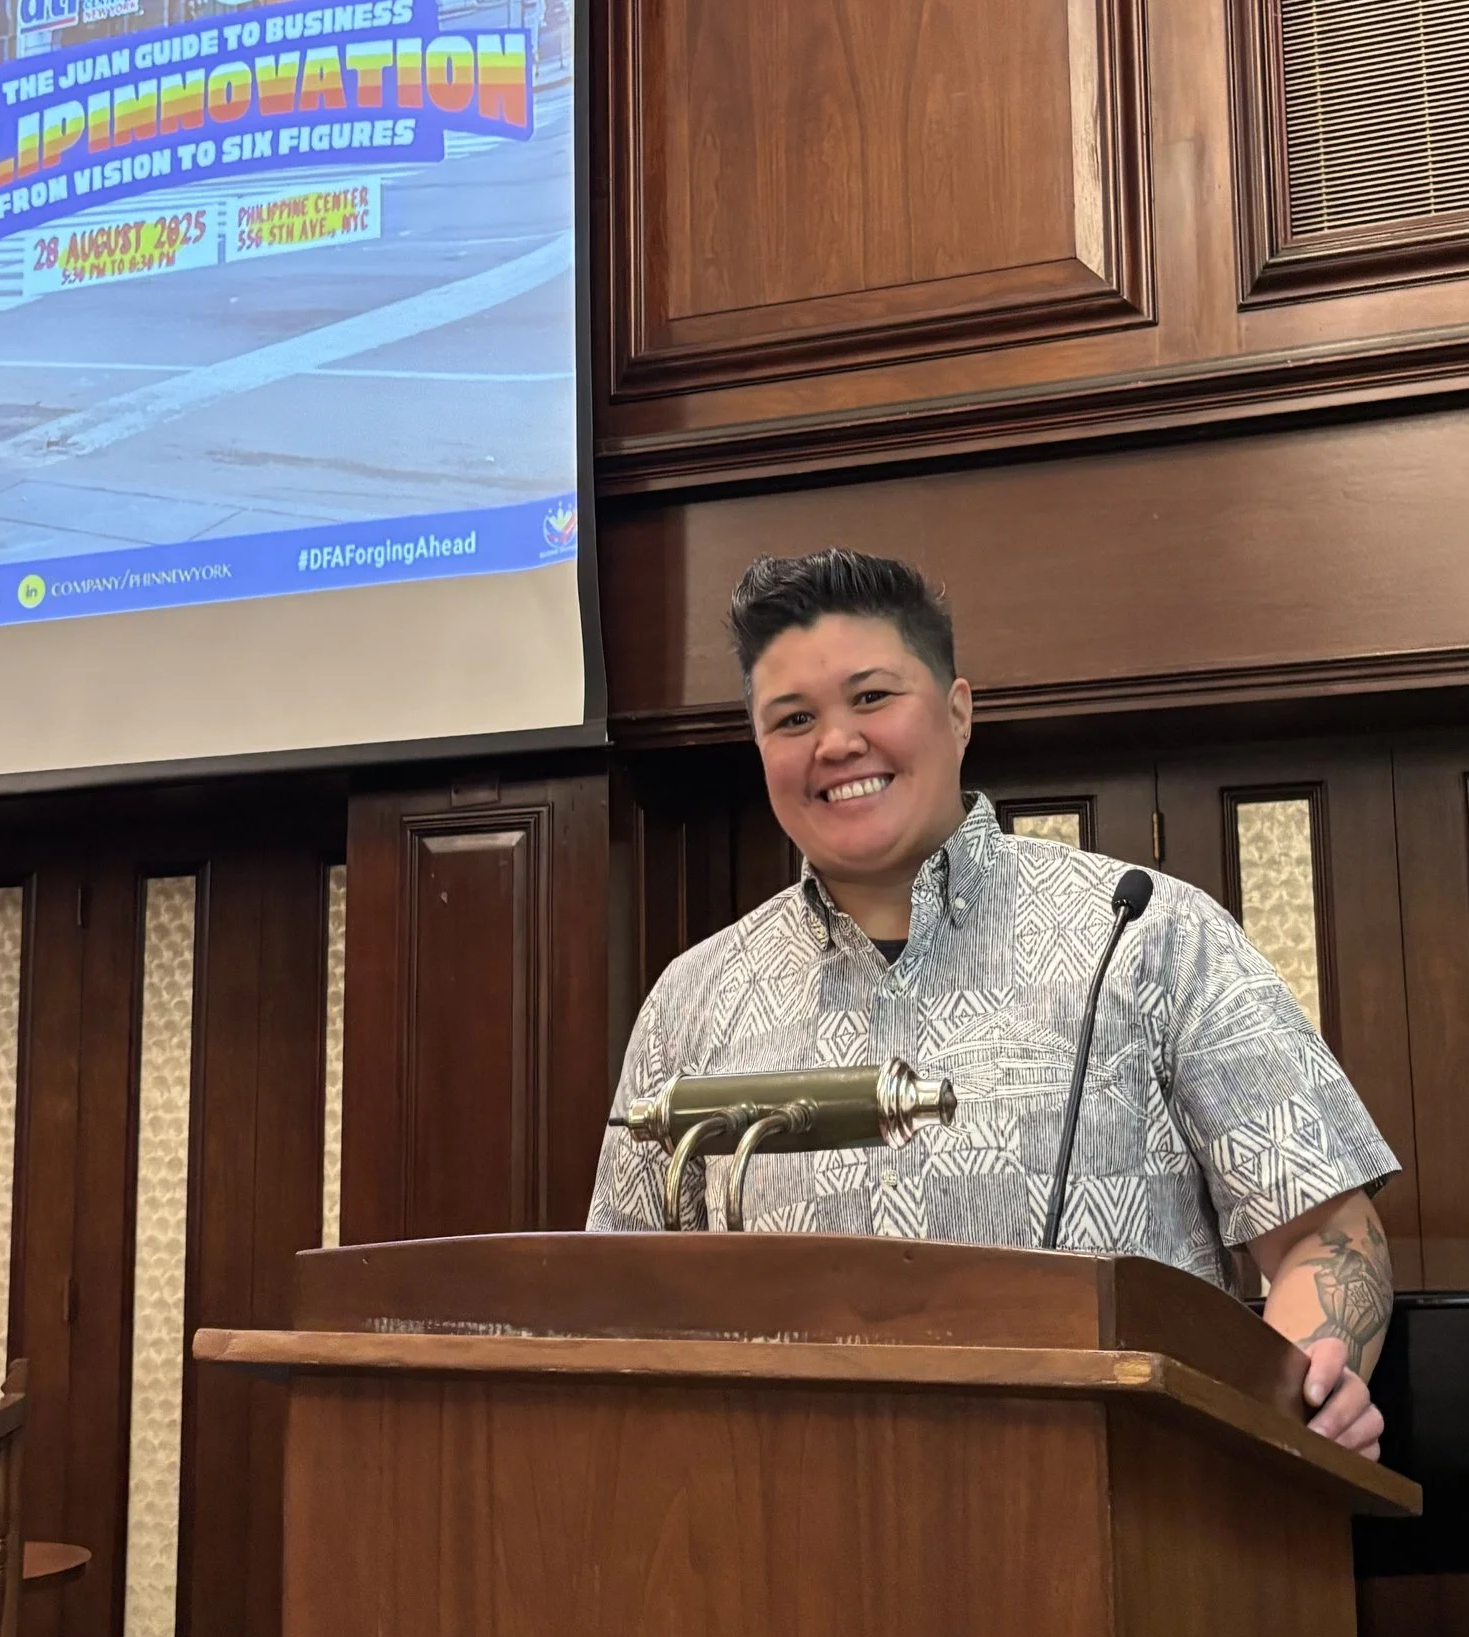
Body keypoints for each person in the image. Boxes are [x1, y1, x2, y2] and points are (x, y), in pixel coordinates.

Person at [590, 548, 1400, 1456]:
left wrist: (1297, 1396)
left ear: (958, 710)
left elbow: (1330, 1232)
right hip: (780, 1534)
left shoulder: (1145, 933)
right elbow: (616, 1296)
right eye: (791, 718)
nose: (835, 743)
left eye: (870, 697)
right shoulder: (693, 1000)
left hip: (1126, 1512)